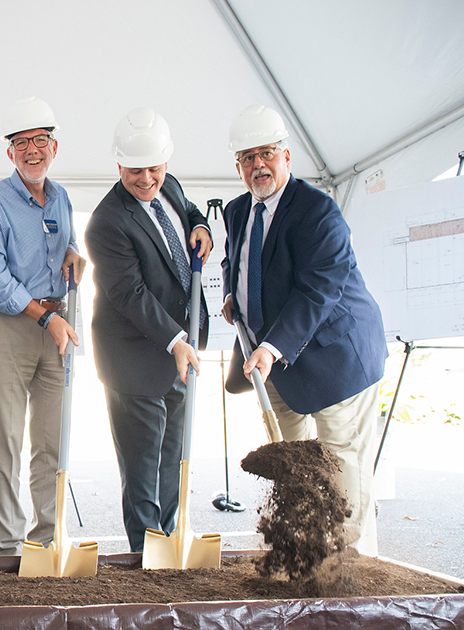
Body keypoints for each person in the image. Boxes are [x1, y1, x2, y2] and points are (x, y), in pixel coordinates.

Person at [221, 105, 386, 556]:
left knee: (341, 466)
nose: (258, 165)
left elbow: (318, 290)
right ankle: (304, 557)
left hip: (337, 359)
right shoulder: (238, 211)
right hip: (274, 365)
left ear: (287, 157)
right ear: (238, 166)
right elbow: (237, 259)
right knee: (293, 461)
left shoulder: (318, 211)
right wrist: (235, 295)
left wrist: (272, 346)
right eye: (247, 157)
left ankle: (351, 569)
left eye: (267, 153)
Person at [84, 108, 212, 553]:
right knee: (143, 462)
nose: (146, 179)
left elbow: (191, 210)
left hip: (180, 347)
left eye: (154, 169)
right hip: (132, 356)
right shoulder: (106, 222)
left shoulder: (169, 186)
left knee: (174, 454)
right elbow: (130, 294)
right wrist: (177, 340)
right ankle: (145, 553)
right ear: (118, 165)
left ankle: (170, 539)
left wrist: (200, 226)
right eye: (135, 170)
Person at [0, 97, 85, 555]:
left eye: (40, 141)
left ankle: (45, 542)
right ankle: (10, 547)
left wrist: (74, 252)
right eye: (22, 144)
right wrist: (48, 317)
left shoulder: (61, 197)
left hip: (57, 323)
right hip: (9, 326)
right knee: (8, 441)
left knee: (52, 441)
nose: (32, 150)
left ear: (54, 147)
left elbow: (65, 243)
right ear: (10, 152)